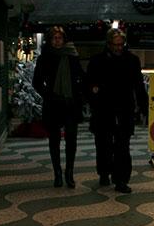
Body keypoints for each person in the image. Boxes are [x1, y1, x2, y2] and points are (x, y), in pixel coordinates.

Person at [86, 29, 147, 193]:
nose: (119, 48)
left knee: (122, 146)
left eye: (121, 44)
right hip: (103, 109)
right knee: (103, 144)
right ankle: (104, 172)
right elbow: (89, 84)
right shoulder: (97, 61)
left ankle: (121, 179)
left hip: (124, 108)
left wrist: (143, 106)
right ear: (108, 44)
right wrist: (93, 97)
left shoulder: (132, 60)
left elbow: (138, 85)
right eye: (116, 45)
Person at [32, 25, 84, 188]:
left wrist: (79, 94)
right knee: (54, 140)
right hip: (54, 104)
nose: (57, 41)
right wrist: (49, 94)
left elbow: (81, 76)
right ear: (50, 40)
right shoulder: (45, 57)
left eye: (59, 38)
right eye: (54, 38)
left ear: (64, 39)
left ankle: (69, 172)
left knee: (71, 138)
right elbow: (37, 82)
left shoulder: (72, 56)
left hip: (70, 103)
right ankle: (58, 173)